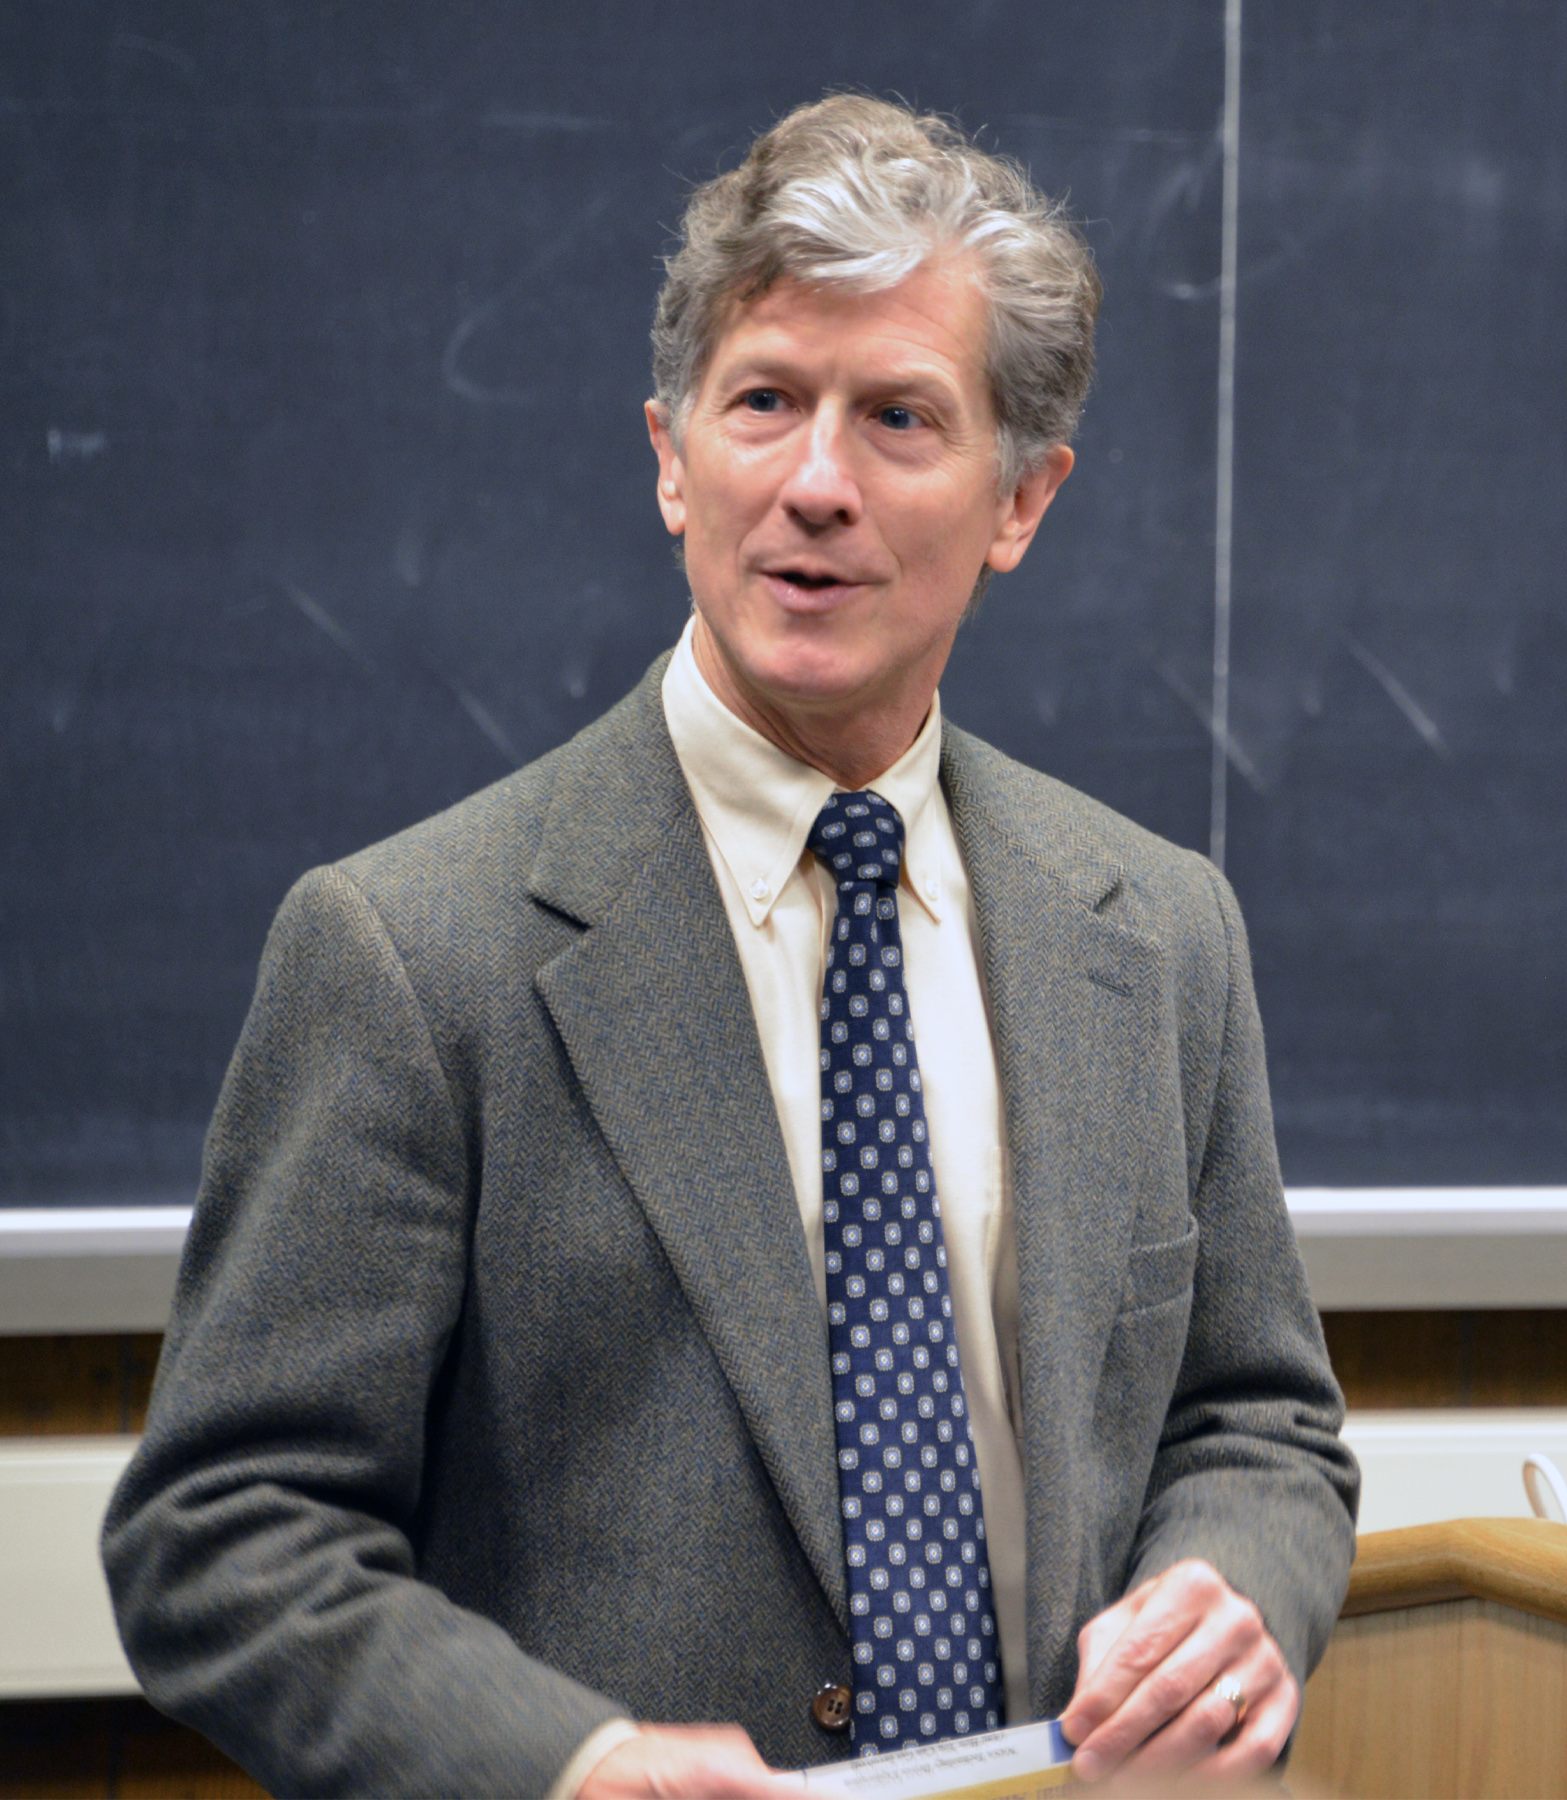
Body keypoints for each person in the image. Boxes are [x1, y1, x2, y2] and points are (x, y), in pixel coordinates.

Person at [102, 94, 1358, 1799]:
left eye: (901, 418)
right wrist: (574, 1761)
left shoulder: (1158, 929)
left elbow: (1256, 1421)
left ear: (1022, 501)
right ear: (673, 455)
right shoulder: (409, 953)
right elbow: (223, 1534)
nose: (817, 484)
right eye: (765, 401)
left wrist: (1233, 1589)